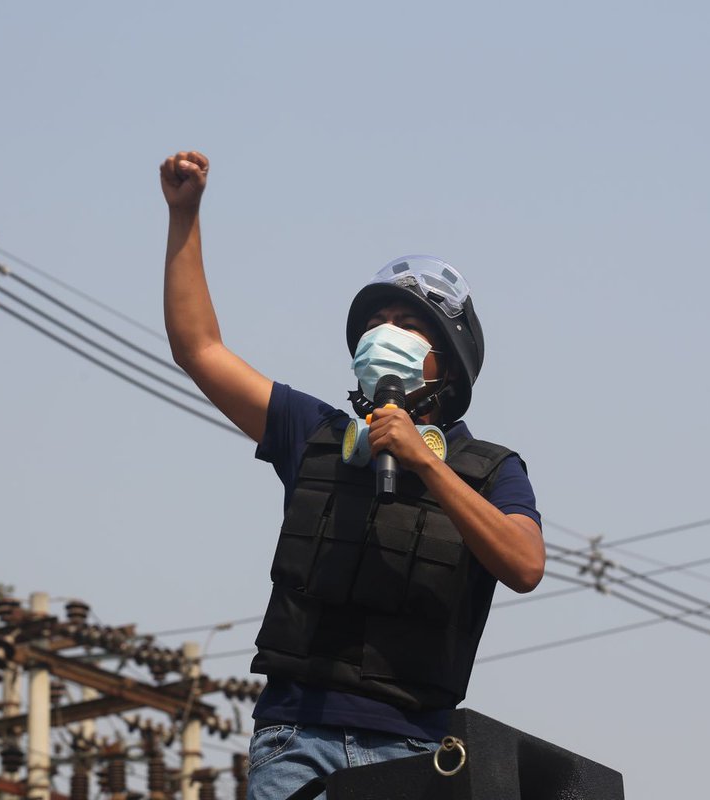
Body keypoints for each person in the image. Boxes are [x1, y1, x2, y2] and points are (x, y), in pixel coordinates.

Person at [160, 150, 545, 799]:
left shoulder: (492, 471)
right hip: (294, 740)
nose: (383, 333)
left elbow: (525, 564)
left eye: (406, 324)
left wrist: (426, 462)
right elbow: (198, 349)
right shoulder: (313, 434)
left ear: (444, 365)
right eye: (374, 323)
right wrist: (184, 216)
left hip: (415, 751)